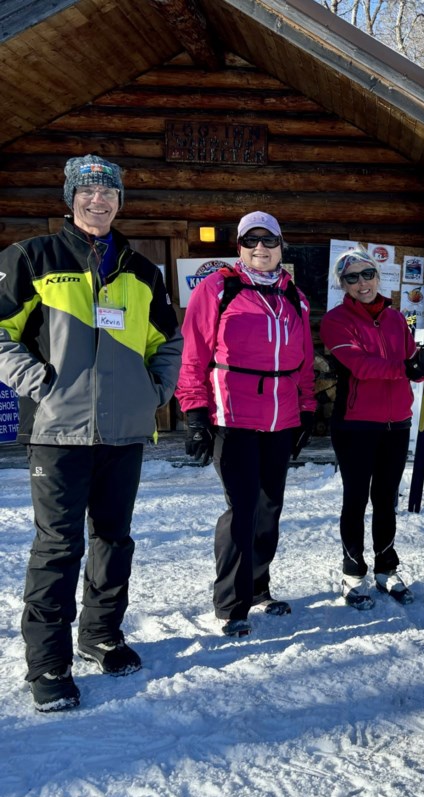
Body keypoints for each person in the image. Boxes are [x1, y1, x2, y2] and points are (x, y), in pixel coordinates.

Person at [0, 154, 183, 711]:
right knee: (58, 547)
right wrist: (37, 380)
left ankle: (100, 634)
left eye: (108, 193)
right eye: (87, 192)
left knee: (113, 538)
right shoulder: (34, 257)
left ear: (120, 201)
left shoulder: (141, 269)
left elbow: (168, 343)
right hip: (57, 432)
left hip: (123, 433)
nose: (98, 201)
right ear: (71, 198)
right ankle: (48, 664)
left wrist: (153, 393)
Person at [176, 211, 316, 638]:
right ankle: (230, 603)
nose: (260, 248)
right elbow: (194, 354)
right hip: (232, 416)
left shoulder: (295, 297)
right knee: (242, 509)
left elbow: (305, 360)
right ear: (239, 247)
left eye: (268, 240)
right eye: (250, 241)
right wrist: (195, 413)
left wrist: (307, 409)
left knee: (269, 506)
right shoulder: (218, 288)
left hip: (280, 418)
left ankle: (258, 587)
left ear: (280, 246)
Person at [320, 248, 424, 609]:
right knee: (355, 498)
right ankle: (352, 573)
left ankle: (386, 568)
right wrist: (410, 368)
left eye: (368, 275)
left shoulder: (396, 319)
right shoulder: (336, 321)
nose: (362, 283)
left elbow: (409, 362)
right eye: (352, 277)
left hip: (397, 422)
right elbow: (362, 366)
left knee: (386, 499)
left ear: (378, 278)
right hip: (356, 424)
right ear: (343, 284)